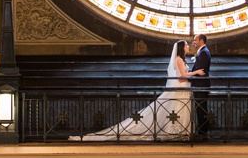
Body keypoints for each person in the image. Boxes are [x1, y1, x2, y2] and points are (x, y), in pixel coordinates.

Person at [70, 40, 203, 141]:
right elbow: (181, 77)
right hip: (180, 87)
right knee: (175, 108)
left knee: (179, 109)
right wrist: (196, 72)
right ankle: (175, 131)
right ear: (181, 48)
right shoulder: (179, 59)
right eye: (186, 45)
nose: (188, 46)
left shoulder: (182, 59)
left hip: (184, 88)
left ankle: (181, 131)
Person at [190, 33, 211, 139]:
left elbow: (200, 70)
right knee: (200, 107)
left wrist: (189, 74)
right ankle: (201, 129)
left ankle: (202, 131)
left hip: (201, 84)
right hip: (200, 84)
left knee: (201, 108)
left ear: (201, 41)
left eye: (195, 40)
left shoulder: (203, 53)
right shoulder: (202, 52)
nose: (194, 42)